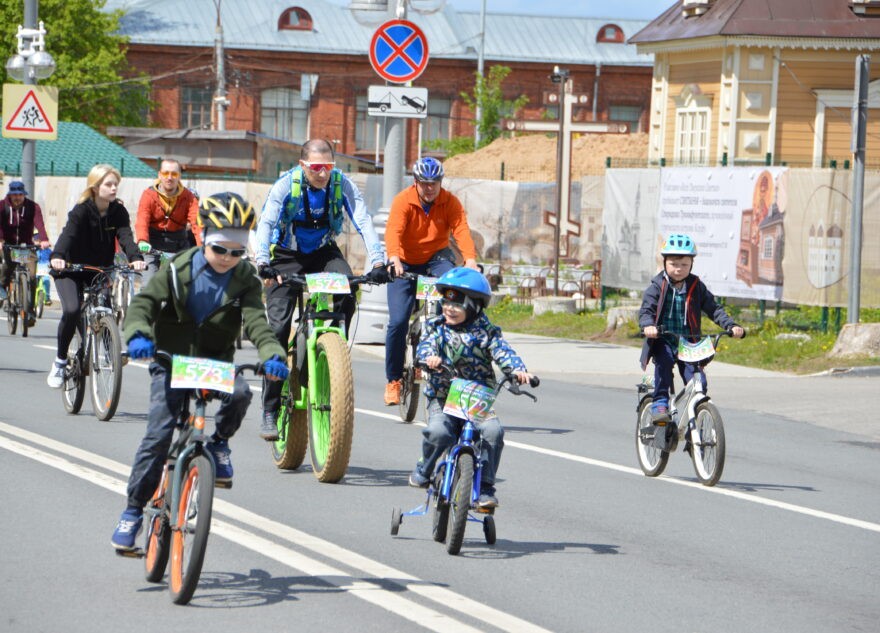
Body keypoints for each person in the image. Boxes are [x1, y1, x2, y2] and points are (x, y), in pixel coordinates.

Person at [111, 192, 289, 551]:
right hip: (170, 361)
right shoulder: (177, 268)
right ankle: (132, 512)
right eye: (220, 248)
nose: (227, 258)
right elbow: (144, 304)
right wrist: (139, 335)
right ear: (204, 236)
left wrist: (273, 355)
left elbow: (258, 323)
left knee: (242, 393)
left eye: (237, 252)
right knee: (158, 437)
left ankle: (220, 444)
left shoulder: (246, 279)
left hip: (213, 364)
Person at [254, 138, 387, 440]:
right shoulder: (285, 186)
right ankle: (270, 408)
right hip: (284, 256)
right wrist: (263, 262)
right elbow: (266, 223)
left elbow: (363, 220)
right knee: (277, 328)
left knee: (348, 291)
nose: (323, 173)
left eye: (328, 166)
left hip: (323, 253)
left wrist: (378, 261)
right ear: (303, 165)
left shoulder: (341, 185)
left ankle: (330, 349)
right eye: (316, 167)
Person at [408, 267, 532, 509]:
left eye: (458, 304)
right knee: (439, 432)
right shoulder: (437, 328)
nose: (449, 308)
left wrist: (518, 370)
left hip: (477, 399)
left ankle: (485, 487)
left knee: (493, 432)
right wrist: (429, 358)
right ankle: (424, 467)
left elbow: (503, 352)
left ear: (475, 306)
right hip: (443, 398)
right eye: (446, 302)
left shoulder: (487, 332)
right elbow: (426, 347)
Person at [383, 156, 480, 406]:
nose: (429, 188)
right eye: (424, 183)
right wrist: (394, 258)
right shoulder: (403, 201)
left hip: (436, 258)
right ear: (416, 182)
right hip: (404, 261)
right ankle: (393, 379)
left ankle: (436, 354)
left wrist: (470, 259)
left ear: (440, 183)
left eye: (434, 183)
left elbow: (461, 230)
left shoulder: (450, 202)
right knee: (398, 321)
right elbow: (393, 230)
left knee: (449, 288)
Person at [47, 165, 146, 388]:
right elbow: (68, 235)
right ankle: (60, 361)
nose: (113, 188)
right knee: (72, 309)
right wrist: (58, 256)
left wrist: (135, 257)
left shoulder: (118, 212)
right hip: (71, 269)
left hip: (99, 269)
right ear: (95, 187)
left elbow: (126, 237)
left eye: (115, 184)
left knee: (105, 308)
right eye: (108, 184)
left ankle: (111, 354)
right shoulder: (81, 210)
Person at [638, 234, 745, 423]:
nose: (679, 269)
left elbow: (714, 309)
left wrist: (731, 325)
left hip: (688, 343)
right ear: (664, 263)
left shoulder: (696, 286)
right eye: (674, 264)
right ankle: (660, 402)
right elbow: (647, 310)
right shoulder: (657, 287)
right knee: (663, 364)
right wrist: (648, 325)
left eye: (684, 264)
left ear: (691, 265)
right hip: (663, 340)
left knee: (698, 382)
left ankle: (695, 418)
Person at [135, 158, 201, 287]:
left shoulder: (189, 197)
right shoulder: (148, 195)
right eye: (165, 173)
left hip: (178, 244)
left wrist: (202, 248)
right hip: (152, 245)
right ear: (159, 175)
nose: (169, 178)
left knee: (184, 284)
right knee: (148, 285)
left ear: (179, 176)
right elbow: (142, 219)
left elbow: (197, 223)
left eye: (174, 174)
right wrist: (142, 240)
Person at [0, 180, 50, 306]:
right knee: (6, 270)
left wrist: (44, 239)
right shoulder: (2, 206)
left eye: (20, 195)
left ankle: (30, 308)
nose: (17, 197)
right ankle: (2, 290)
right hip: (9, 245)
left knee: (32, 276)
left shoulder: (33, 207)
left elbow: (39, 224)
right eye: (14, 195)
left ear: (24, 194)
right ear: (10, 195)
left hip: (27, 246)